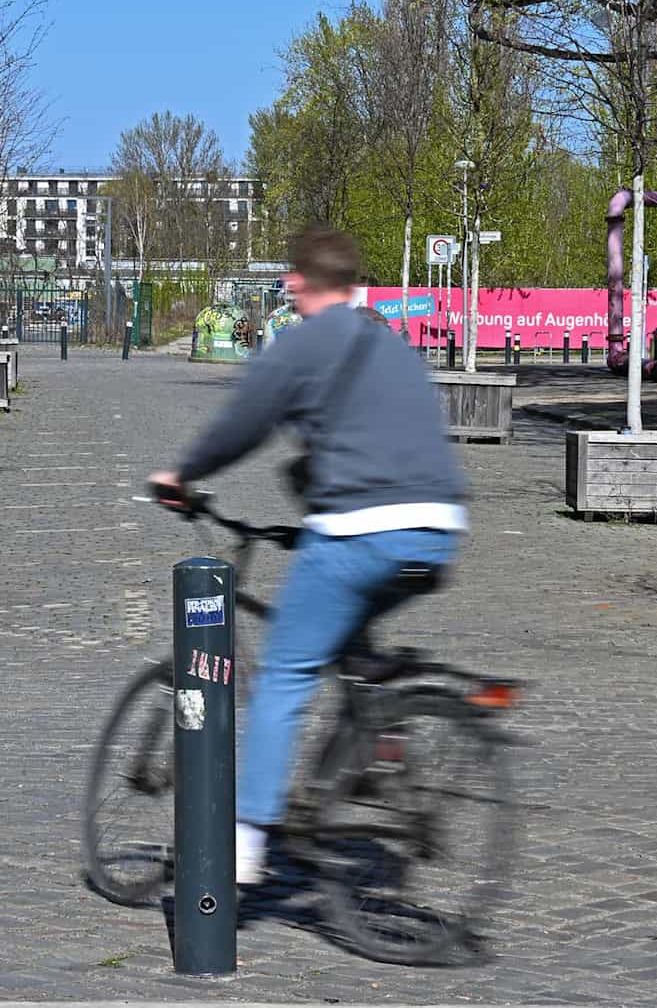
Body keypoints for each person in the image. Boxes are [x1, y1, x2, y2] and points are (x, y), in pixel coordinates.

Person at [149, 227, 468, 885]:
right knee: (353, 642)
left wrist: (183, 474)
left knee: (288, 673)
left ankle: (241, 846)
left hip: (362, 529)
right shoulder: (389, 341)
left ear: (297, 283)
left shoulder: (305, 341)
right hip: (437, 527)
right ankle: (379, 735)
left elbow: (244, 420)